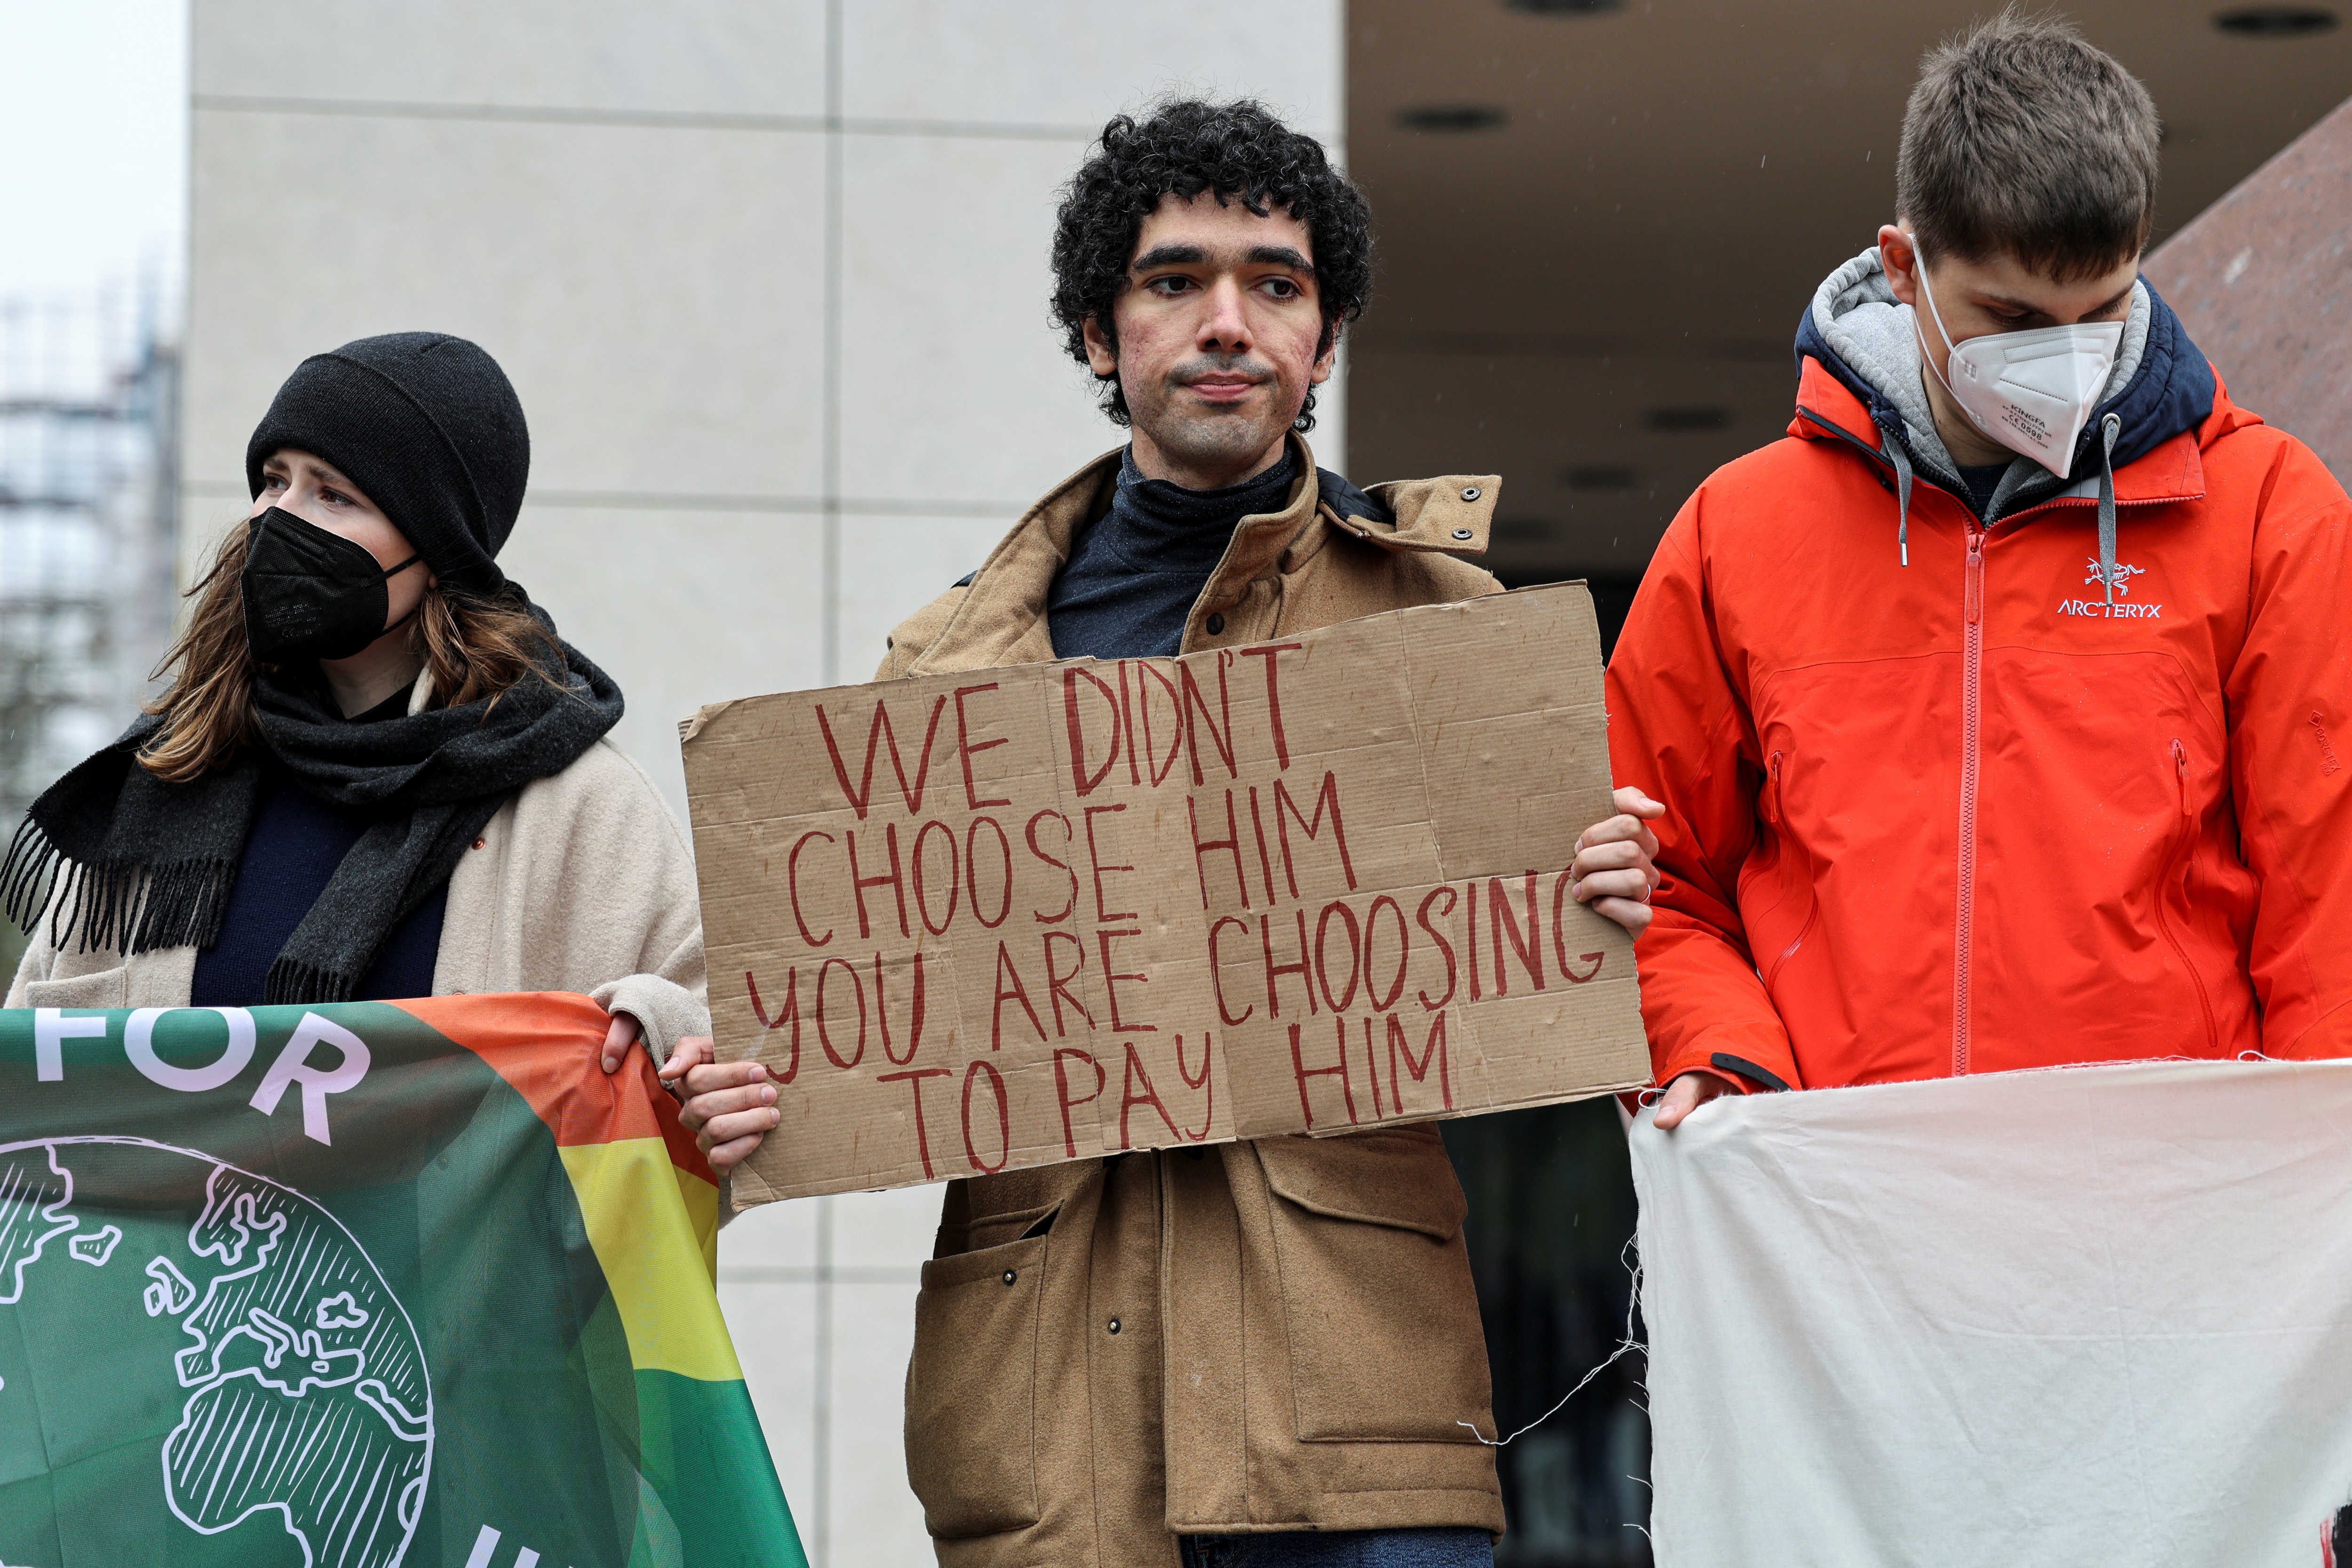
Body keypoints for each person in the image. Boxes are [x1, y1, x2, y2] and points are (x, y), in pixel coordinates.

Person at [664, 98, 1661, 1567]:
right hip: (1051, 1425)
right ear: (1095, 331)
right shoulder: (942, 675)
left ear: (1323, 342)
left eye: (1277, 283)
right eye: (1174, 279)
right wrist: (746, 1092)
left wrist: (1612, 897)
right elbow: (841, 1031)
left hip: (1354, 1429)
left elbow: (1557, 998)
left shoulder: (1445, 636)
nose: (1227, 323)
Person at [1606, 12, 2352, 1130]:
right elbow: (1649, 879)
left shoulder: (2269, 516)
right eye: (2010, 316)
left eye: (2101, 312)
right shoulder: (1736, 532)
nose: (2063, 358)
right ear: (1903, 266)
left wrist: (2309, 1189)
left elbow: (2331, 905)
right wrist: (1722, 1060)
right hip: (1843, 1216)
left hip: (2170, 1226)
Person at [5, 332, 705, 1068]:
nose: (277, 519)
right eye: (275, 480)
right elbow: (32, 1083)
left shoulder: (579, 804)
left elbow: (718, 1038)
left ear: (439, 552)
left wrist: (670, 1042)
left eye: (333, 494)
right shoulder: (176, 768)